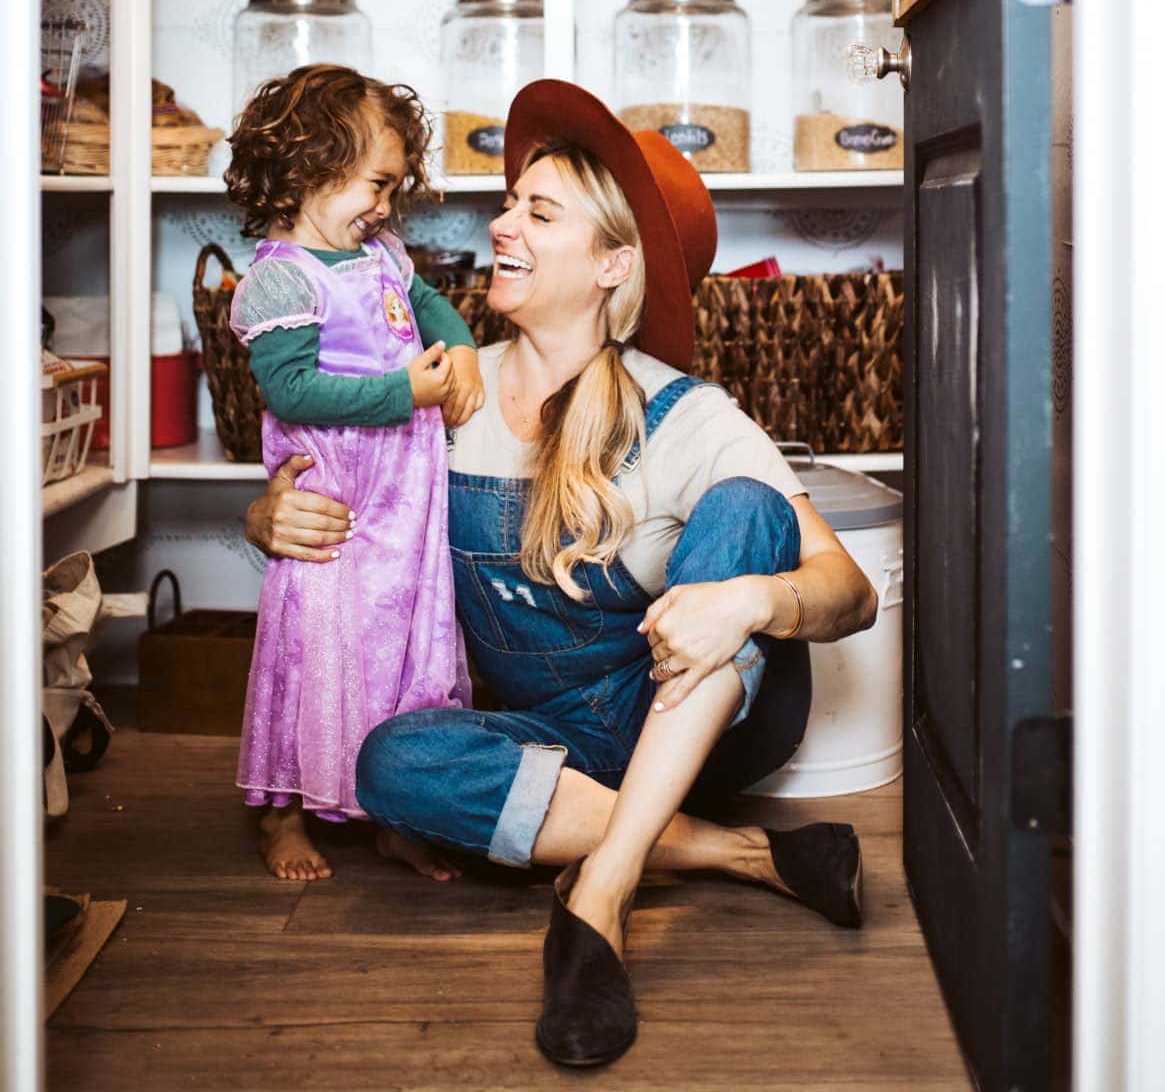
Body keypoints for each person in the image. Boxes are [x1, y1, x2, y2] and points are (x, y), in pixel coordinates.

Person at [245, 79, 878, 1067]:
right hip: (554, 736)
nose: (500, 223)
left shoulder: (683, 411)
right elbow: (332, 474)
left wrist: (759, 596)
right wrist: (266, 515)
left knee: (748, 509)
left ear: (611, 262)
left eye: (538, 211)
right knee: (390, 763)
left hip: (693, 716)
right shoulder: (448, 385)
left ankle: (600, 896)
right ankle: (742, 850)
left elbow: (851, 590)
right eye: (509, 203)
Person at [226, 63, 484, 885]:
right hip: (334, 498)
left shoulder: (380, 253)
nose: (384, 204)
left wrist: (464, 347)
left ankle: (393, 809)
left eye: (393, 187)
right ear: (310, 162)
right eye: (376, 183)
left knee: (399, 651)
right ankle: (283, 811)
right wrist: (402, 389)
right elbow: (290, 389)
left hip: (404, 498)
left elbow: (430, 305)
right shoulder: (279, 278)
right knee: (310, 650)